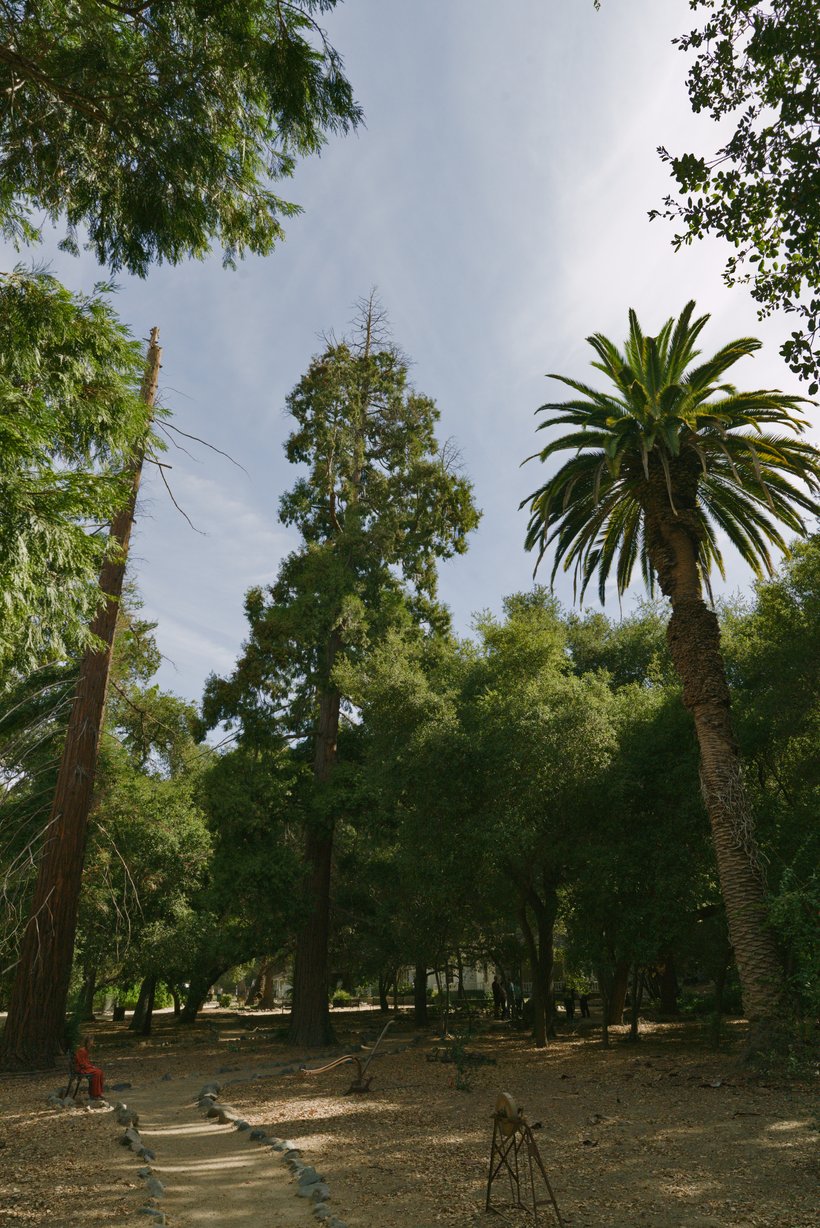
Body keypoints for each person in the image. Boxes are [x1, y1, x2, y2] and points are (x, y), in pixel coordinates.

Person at [74, 1034, 105, 1100]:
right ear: (88, 1042)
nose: (92, 1042)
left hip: (85, 1067)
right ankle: (94, 1094)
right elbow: (82, 1063)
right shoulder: (82, 1050)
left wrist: (91, 1066)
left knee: (100, 1072)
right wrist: (90, 1066)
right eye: (91, 1041)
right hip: (81, 1069)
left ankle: (99, 1093)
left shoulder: (85, 1050)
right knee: (97, 1073)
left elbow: (86, 1062)